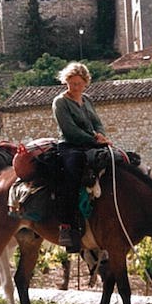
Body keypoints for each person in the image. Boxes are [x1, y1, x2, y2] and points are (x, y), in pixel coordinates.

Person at [52, 62, 111, 252]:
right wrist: (95, 140)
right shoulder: (60, 102)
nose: (75, 87)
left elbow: (97, 122)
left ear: (86, 83)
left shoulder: (87, 100)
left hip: (91, 143)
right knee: (72, 173)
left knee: (119, 159)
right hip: (70, 146)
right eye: (71, 83)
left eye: (78, 83)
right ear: (65, 82)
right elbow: (70, 130)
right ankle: (67, 226)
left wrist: (100, 134)